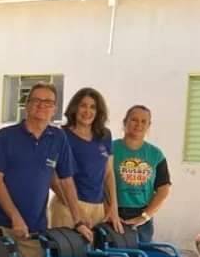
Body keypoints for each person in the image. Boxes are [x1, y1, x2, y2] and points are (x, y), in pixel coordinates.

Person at [0, 83, 93, 257]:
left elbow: (65, 181)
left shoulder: (58, 138)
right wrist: (15, 217)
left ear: (54, 109)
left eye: (48, 102)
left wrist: (78, 220)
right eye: (36, 100)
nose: (42, 105)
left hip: (34, 228)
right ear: (27, 106)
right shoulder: (5, 136)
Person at [50, 88, 123, 232]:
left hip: (98, 208)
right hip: (67, 207)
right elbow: (52, 176)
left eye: (93, 107)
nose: (87, 111)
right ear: (74, 107)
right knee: (68, 253)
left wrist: (113, 208)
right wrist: (77, 211)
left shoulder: (104, 135)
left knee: (93, 254)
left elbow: (108, 174)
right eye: (83, 105)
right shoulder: (60, 135)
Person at [113, 104, 170, 243]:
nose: (138, 124)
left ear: (148, 125)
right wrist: (110, 212)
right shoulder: (110, 149)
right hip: (114, 214)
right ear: (125, 122)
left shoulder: (156, 154)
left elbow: (163, 189)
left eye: (144, 121)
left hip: (142, 217)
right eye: (134, 119)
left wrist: (145, 216)